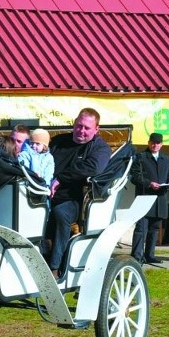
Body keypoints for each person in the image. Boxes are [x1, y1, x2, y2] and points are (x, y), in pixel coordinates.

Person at [43, 108, 111, 278]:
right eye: (79, 126)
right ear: (74, 123)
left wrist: (60, 179)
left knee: (60, 214)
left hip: (74, 199)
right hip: (44, 194)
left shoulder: (100, 148)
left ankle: (55, 267)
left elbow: (93, 167)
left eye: (87, 128)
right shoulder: (58, 142)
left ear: (96, 129)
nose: (81, 131)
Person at [130, 133, 169, 264]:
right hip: (144, 197)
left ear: (161, 144)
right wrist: (149, 183)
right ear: (149, 143)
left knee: (154, 229)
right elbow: (134, 176)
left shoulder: (165, 159)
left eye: (158, 143)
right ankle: (137, 256)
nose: (155, 145)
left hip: (160, 199)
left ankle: (150, 255)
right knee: (141, 229)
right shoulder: (141, 157)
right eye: (153, 143)